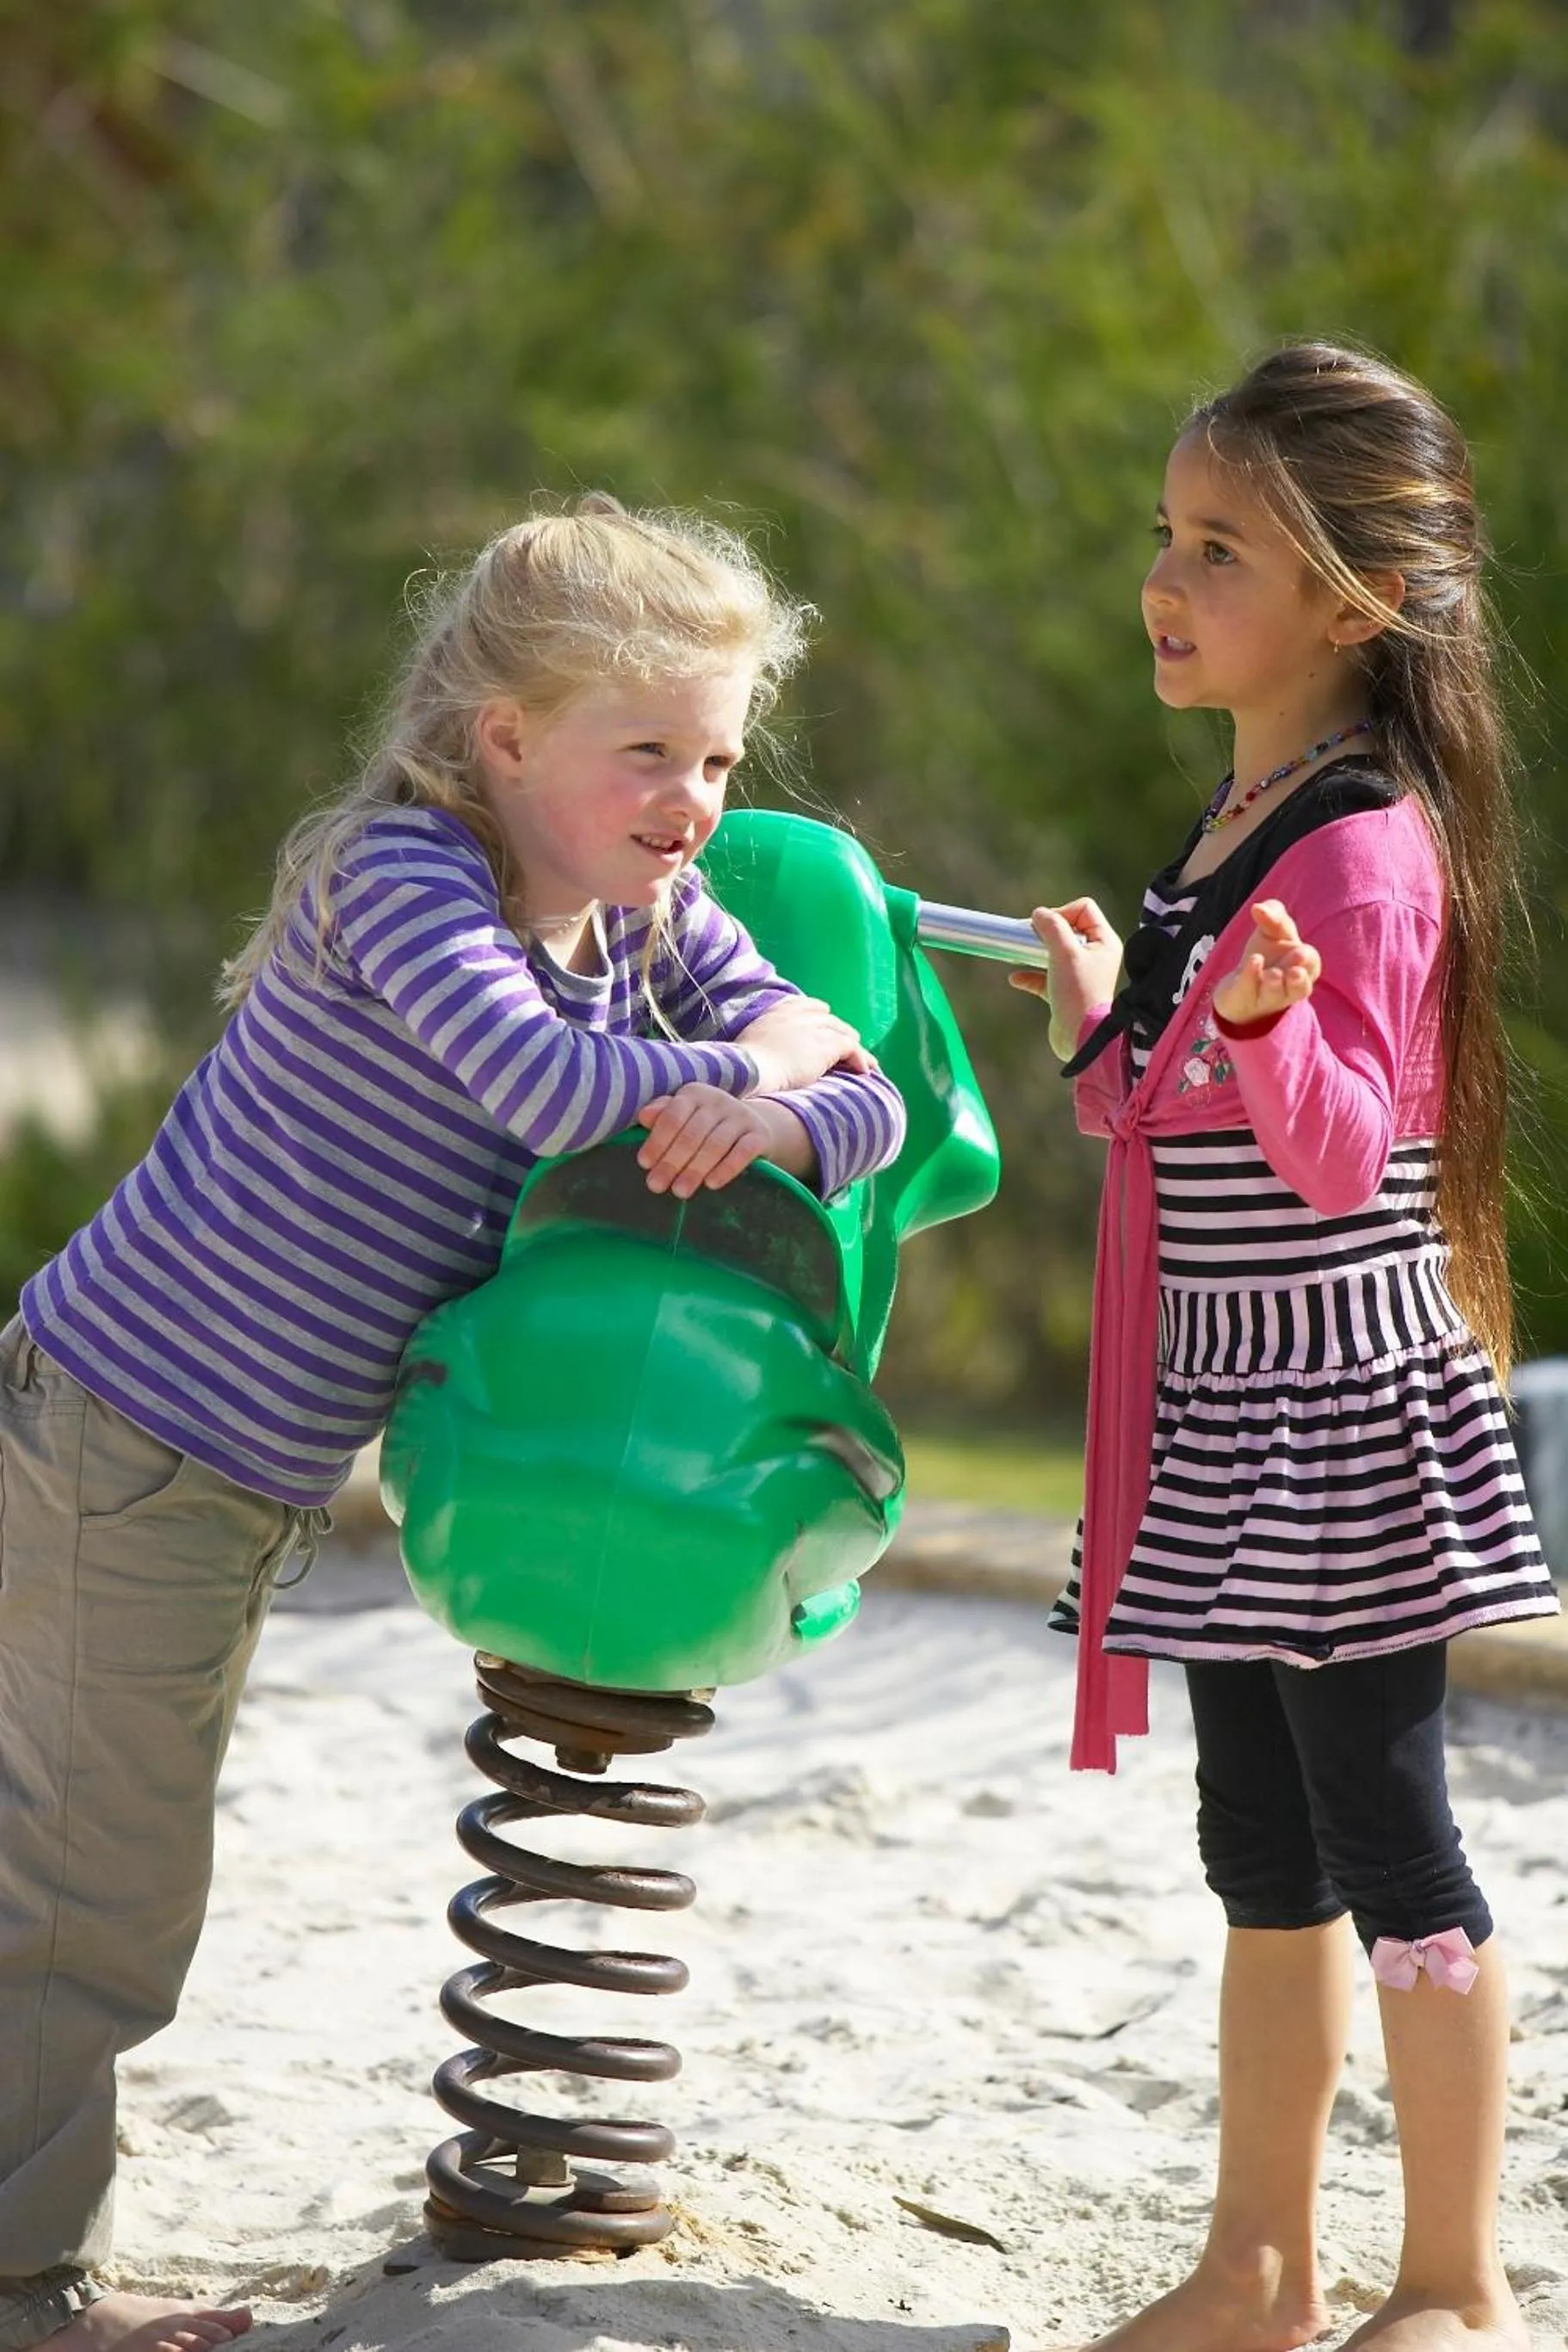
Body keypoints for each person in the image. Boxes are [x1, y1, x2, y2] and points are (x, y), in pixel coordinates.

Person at [0, 495, 905, 2352]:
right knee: (101, 1889)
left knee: (90, 1860)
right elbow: (542, 1078)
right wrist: (758, 1066)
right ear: (503, 738)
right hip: (121, 1436)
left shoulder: (650, 922)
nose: (691, 796)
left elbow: (869, 1094)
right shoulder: (402, 879)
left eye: (719, 756)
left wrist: (790, 1106)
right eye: (642, 749)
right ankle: (27, 2290)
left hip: (224, 1474)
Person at [1020, 344, 1558, 2352]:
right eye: (1164, 537)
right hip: (1221, 1393)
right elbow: (1157, 1119)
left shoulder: (1360, 843)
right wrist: (1110, 1021)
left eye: (1218, 548)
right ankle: (1256, 2265)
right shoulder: (1232, 817)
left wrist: (1252, 1032)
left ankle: (1452, 2280)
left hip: (1332, 1397)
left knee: (1388, 1829)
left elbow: (1345, 1159)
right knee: (1254, 1837)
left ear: (1357, 596)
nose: (1166, 581)